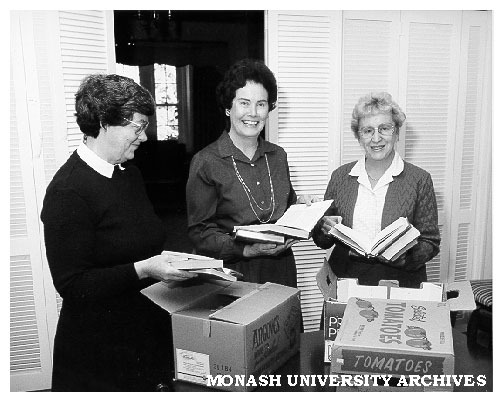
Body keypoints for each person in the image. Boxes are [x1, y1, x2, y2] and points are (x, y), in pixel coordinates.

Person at [41, 74, 196, 391]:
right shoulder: (68, 190)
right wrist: (145, 268)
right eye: (136, 127)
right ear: (102, 123)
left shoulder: (130, 175)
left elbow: (141, 243)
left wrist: (166, 261)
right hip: (98, 349)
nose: (143, 136)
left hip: (144, 331)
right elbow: (73, 285)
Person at [186, 59, 316, 287]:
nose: (253, 113)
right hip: (234, 272)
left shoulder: (278, 156)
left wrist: (302, 208)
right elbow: (200, 233)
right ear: (229, 107)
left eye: (261, 104)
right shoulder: (206, 162)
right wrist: (246, 249)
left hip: (281, 269)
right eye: (244, 103)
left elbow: (284, 211)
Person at [313, 92, 440, 288]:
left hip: (400, 281)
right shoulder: (340, 176)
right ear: (359, 136)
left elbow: (430, 242)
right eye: (368, 130)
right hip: (346, 280)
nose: (376, 138)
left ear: (396, 132)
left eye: (385, 128)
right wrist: (323, 227)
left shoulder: (419, 179)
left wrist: (405, 257)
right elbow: (323, 241)